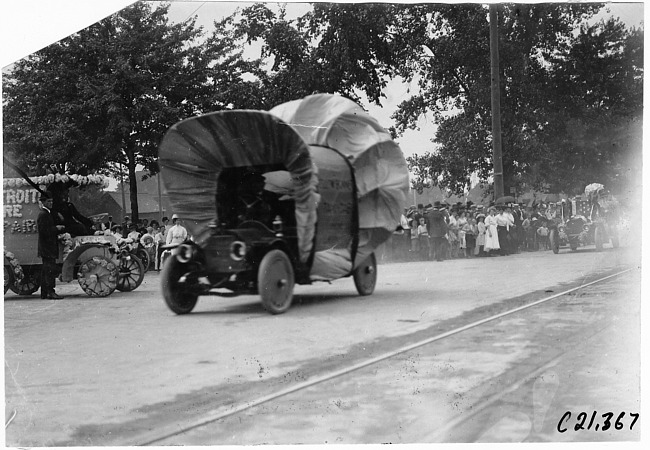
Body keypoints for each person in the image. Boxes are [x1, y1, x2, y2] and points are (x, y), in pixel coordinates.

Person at [37, 191, 65, 299]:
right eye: (48, 201)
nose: (51, 203)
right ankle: (50, 292)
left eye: (52, 201)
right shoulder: (43, 214)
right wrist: (56, 229)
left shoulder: (47, 213)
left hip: (47, 247)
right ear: (43, 202)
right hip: (47, 247)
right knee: (49, 270)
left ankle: (45, 293)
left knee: (47, 270)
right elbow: (44, 231)